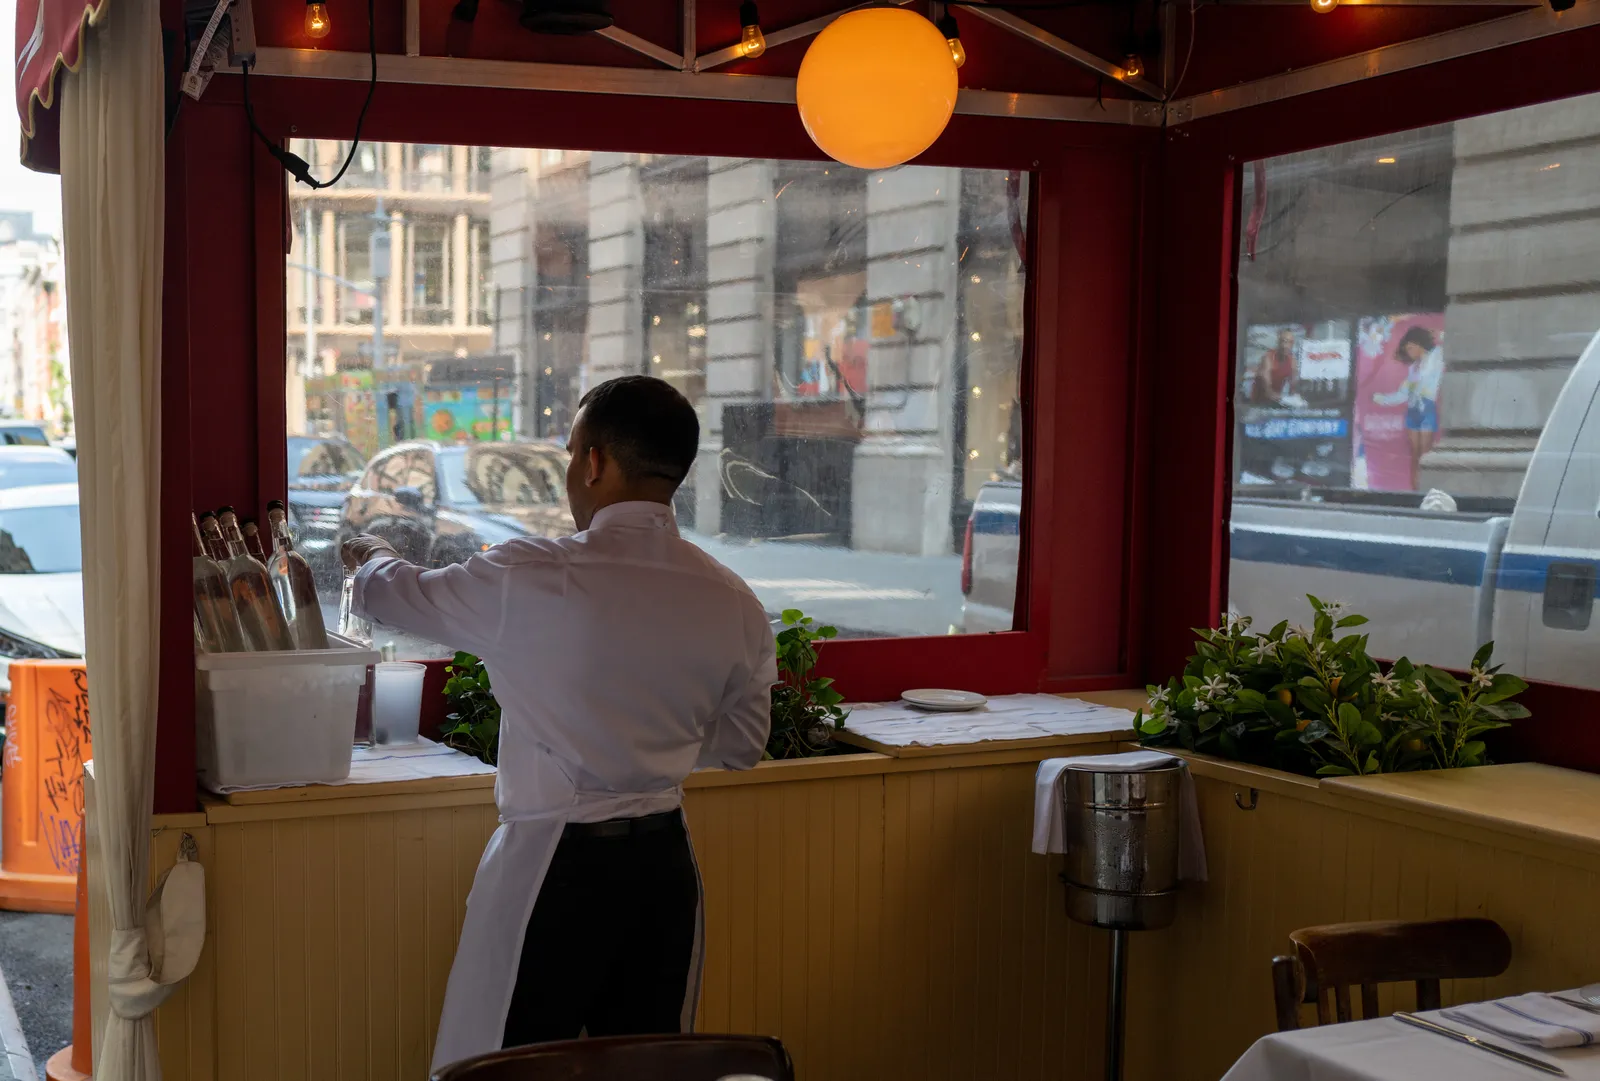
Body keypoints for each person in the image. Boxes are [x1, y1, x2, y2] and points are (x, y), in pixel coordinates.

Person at [341, 375, 776, 1070]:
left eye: (573, 454)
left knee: (501, 1067)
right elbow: (741, 746)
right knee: (645, 1068)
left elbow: (396, 597)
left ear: (594, 462)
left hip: (555, 866)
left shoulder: (533, 577)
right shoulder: (735, 601)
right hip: (665, 872)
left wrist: (371, 554)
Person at [1371, 326, 1444, 489]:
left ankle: (1427, 489)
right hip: (1412, 411)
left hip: (1426, 408)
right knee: (1415, 455)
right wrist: (1382, 399)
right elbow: (1403, 394)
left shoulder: (1436, 357)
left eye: (1411, 347)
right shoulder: (1412, 369)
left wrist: (1439, 334)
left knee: (1425, 454)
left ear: (1419, 344)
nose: (1409, 352)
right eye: (1407, 349)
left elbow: (1448, 345)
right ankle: (1415, 490)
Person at [1247, 327, 1298, 405]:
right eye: (1283, 342)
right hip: (1258, 402)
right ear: (1278, 342)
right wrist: (1284, 399)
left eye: (1289, 343)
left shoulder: (1292, 361)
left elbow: (1293, 387)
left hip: (1276, 401)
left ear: (1292, 345)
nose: (1285, 346)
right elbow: (1267, 391)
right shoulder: (1268, 359)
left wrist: (1294, 400)